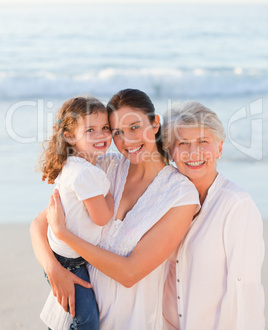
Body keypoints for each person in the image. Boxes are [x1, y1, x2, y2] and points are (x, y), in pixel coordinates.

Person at [30, 89, 200, 330]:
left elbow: (130, 273)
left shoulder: (180, 194)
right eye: (117, 132)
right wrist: (52, 268)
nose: (127, 140)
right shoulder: (102, 167)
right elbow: (39, 224)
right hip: (69, 316)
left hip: (128, 321)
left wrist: (64, 235)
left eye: (134, 127)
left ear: (154, 124)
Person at [162, 100, 265, 330]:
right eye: (183, 143)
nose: (193, 152)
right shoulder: (164, 200)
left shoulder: (237, 205)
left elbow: (244, 291)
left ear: (219, 147)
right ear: (170, 152)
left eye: (203, 142)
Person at [39, 96, 114, 330]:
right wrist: (109, 194)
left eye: (105, 128)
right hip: (69, 261)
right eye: (91, 130)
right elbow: (101, 217)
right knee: (85, 320)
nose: (101, 135)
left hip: (63, 254)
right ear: (70, 136)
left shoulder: (74, 165)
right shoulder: (86, 174)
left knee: (68, 312)